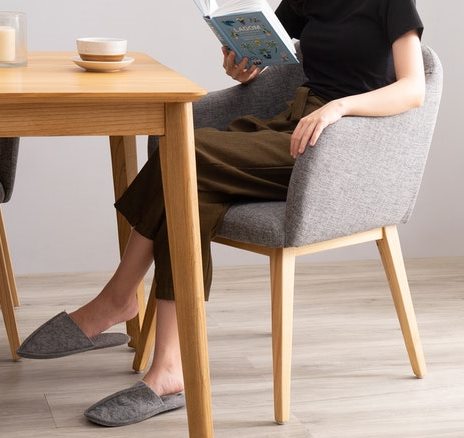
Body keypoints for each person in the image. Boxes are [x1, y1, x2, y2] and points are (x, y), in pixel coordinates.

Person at [17, 0, 425, 427]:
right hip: (290, 125)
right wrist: (243, 67)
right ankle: (168, 368)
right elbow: (268, 54)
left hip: (336, 145)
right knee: (191, 183)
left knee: (186, 155)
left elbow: (414, 88)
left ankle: (116, 299)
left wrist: (339, 107)